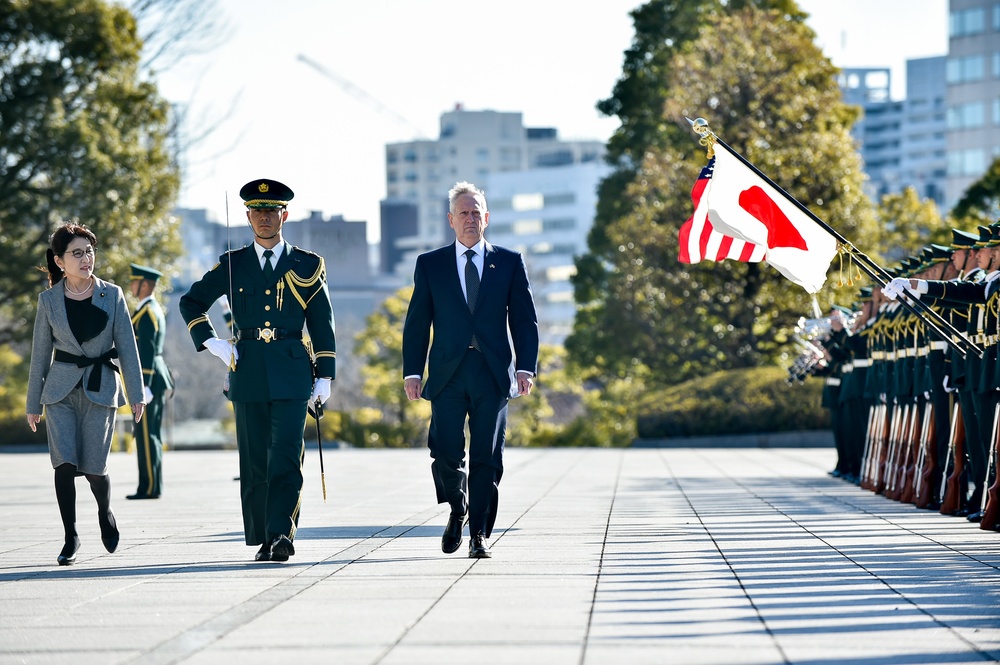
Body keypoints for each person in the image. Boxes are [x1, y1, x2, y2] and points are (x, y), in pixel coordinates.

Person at [179, 178, 336, 563]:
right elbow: (191, 301)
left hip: (292, 370)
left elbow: (322, 322)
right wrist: (211, 342)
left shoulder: (308, 264)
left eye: (272, 211)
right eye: (257, 211)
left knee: (285, 455)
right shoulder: (234, 264)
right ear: (247, 215)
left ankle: (282, 532)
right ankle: (264, 535)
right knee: (254, 461)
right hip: (247, 370)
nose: (265, 218)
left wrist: (325, 375)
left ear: (285, 214)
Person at [402, 181, 539, 559]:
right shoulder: (430, 265)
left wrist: (526, 367)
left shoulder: (509, 262)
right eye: (463, 212)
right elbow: (417, 323)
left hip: (493, 373)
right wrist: (412, 372)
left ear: (487, 218)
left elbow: (525, 320)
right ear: (451, 219)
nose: (470, 218)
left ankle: (479, 532)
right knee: (445, 452)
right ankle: (457, 508)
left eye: (477, 212)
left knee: (487, 456)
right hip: (446, 374)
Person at [26, 223, 146, 565]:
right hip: (59, 391)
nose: (85, 259)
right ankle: (71, 537)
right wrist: (33, 402)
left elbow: (127, 346)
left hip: (101, 386)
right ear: (60, 261)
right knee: (63, 464)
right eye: (76, 253)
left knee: (94, 468)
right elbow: (39, 354)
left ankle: (105, 512)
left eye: (89, 252)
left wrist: (137, 393)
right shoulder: (48, 300)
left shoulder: (114, 294)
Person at [127, 263, 174, 500]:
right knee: (149, 433)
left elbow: (147, 349)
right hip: (154, 377)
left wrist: (143, 384)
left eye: (134, 282)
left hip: (150, 378)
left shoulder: (147, 312)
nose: (131, 286)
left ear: (145, 284)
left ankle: (149, 487)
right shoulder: (150, 309)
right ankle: (150, 485)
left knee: (147, 434)